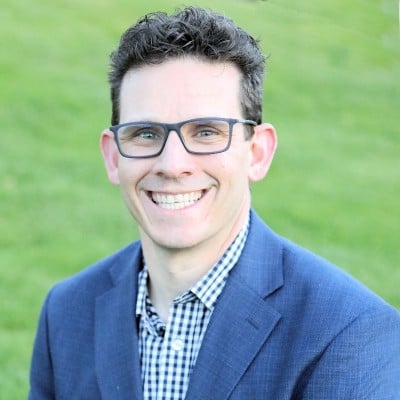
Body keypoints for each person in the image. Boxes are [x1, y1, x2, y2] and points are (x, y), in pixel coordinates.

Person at [29, 6, 400, 399]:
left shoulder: (350, 334)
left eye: (206, 132)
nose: (173, 165)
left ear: (257, 152)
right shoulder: (66, 314)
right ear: (113, 156)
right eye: (146, 133)